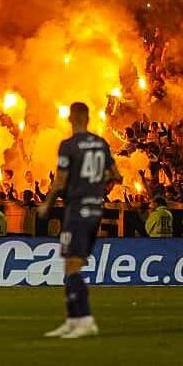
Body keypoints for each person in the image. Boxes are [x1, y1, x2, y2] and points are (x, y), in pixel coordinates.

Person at [39, 102, 120, 339]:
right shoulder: (101, 143)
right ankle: (72, 320)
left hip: (76, 210)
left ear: (71, 118)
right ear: (88, 117)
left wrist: (48, 203)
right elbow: (116, 175)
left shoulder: (69, 145)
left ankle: (84, 319)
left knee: (72, 267)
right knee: (69, 264)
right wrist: (97, 185)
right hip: (96, 209)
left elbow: (60, 181)